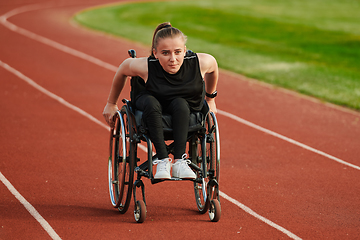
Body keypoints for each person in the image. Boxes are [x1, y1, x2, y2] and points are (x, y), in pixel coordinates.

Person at [103, 22, 218, 180]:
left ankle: (179, 162)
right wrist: (111, 103)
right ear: (155, 53)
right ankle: (163, 160)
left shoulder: (199, 62)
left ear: (185, 50)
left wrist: (210, 98)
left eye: (178, 52)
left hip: (181, 105)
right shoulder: (147, 66)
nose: (173, 59)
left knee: (181, 104)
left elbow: (213, 67)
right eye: (165, 53)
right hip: (149, 100)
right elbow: (123, 68)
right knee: (152, 103)